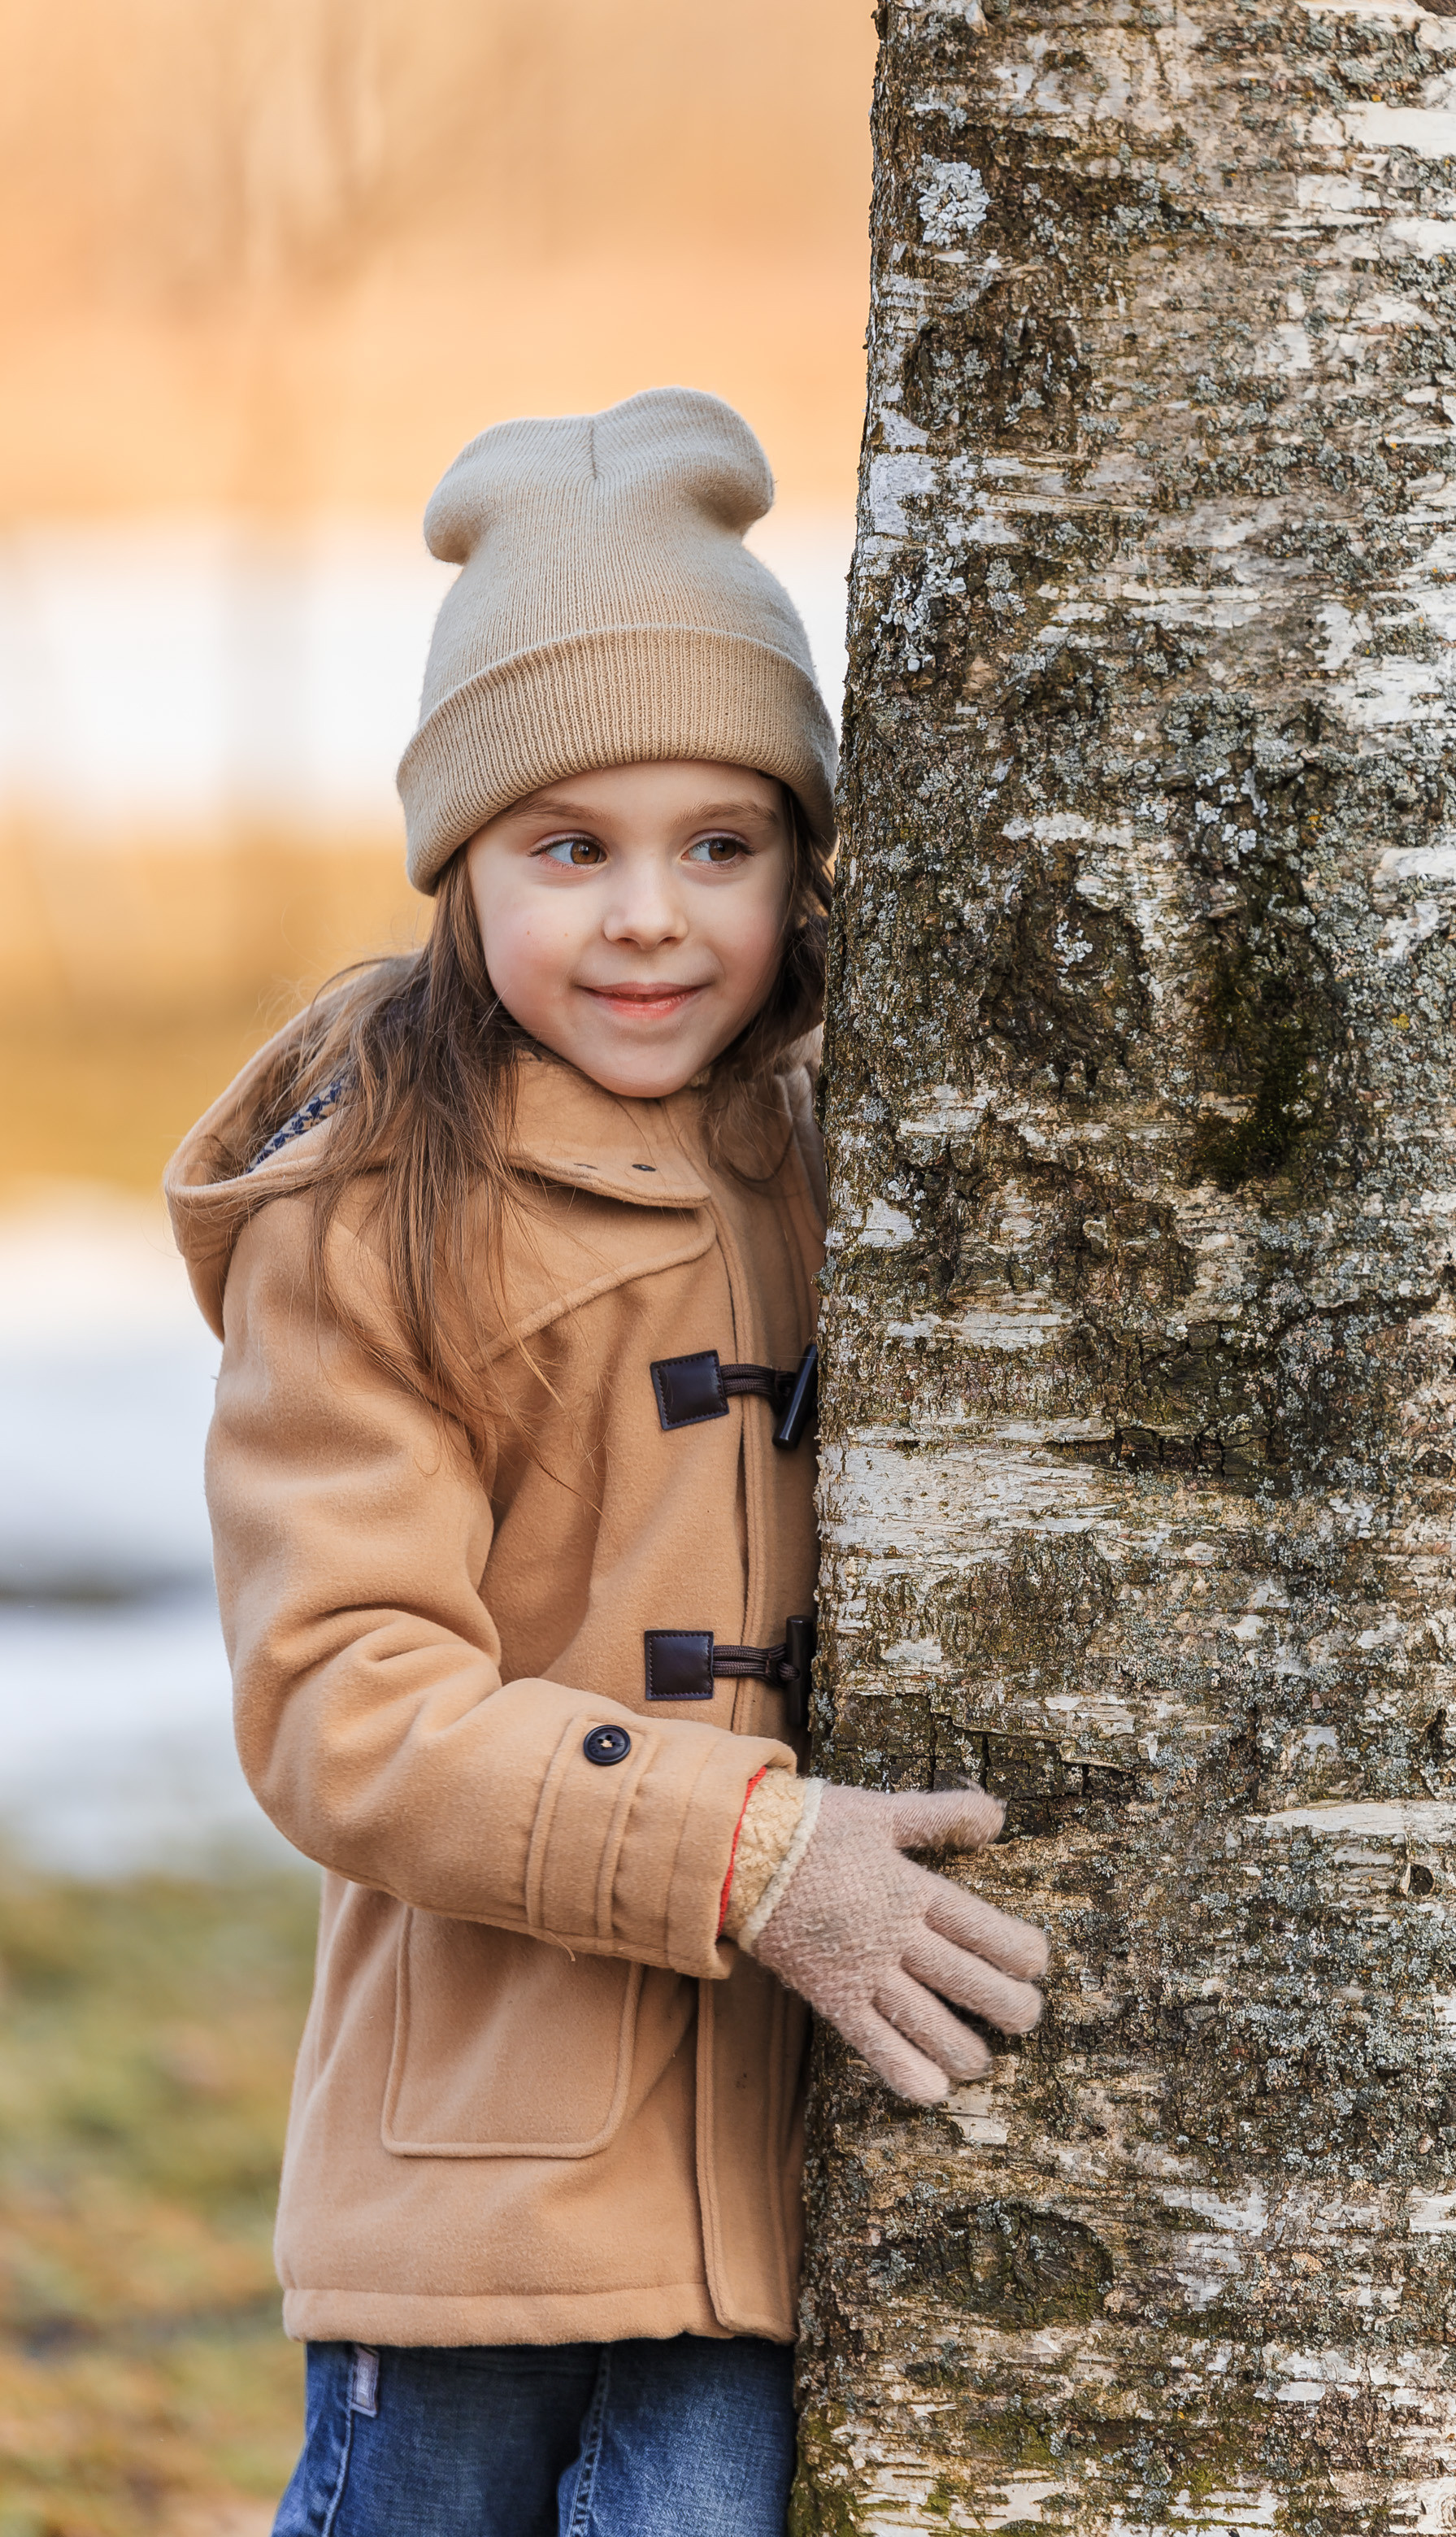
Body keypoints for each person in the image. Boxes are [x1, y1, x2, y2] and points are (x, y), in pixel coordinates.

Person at [167, 389, 1049, 2537]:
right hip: (466, 2192)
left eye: (721, 845)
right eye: (572, 847)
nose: (652, 916)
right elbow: (344, 1710)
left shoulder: (859, 1160)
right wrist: (750, 1852)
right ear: (460, 866)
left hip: (778, 2197)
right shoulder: (370, 1213)